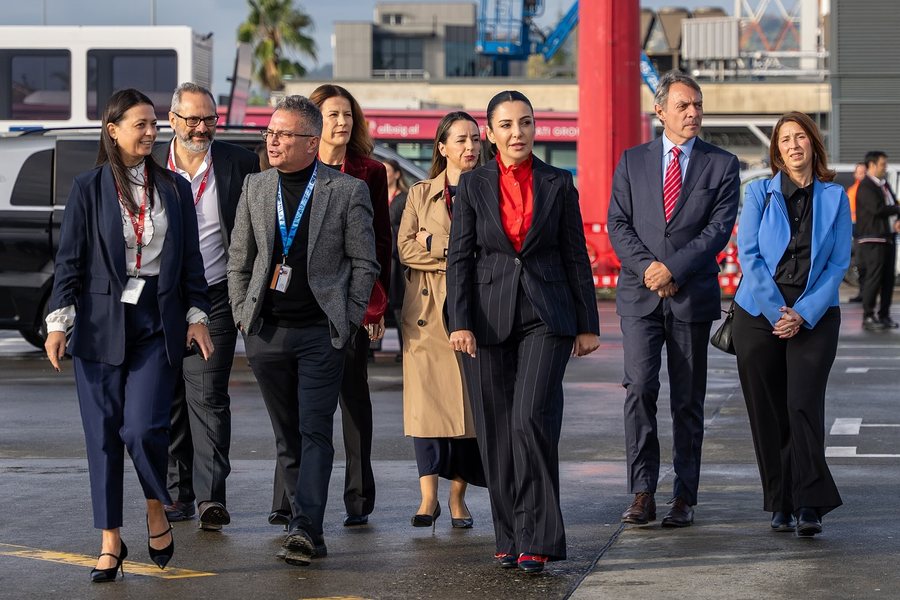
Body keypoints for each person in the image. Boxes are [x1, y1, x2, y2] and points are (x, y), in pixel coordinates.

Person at [44, 88, 213, 582]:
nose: (150, 131)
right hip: (98, 327)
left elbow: (192, 264)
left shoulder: (175, 189)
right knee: (102, 438)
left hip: (155, 323)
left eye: (153, 122)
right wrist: (59, 322)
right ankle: (110, 541)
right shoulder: (88, 187)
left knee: (142, 429)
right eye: (139, 124)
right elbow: (70, 262)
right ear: (112, 130)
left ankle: (156, 507)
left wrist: (197, 315)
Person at [446, 91, 600, 573]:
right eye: (507, 125)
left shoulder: (558, 182)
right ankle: (509, 535)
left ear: (537, 129)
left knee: (530, 419)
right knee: (494, 429)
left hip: (545, 316)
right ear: (490, 133)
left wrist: (587, 324)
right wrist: (461, 321)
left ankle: (539, 536)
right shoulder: (472, 185)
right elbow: (460, 258)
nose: (518, 133)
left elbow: (575, 254)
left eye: (527, 123)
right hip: (486, 319)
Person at [227, 95, 378, 565]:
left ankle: (306, 528)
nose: (272, 140)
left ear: (312, 143)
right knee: (286, 436)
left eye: (283, 134)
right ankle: (300, 519)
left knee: (315, 432)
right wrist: (241, 315)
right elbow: (239, 259)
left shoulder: (346, 191)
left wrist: (349, 318)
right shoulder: (255, 187)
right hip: (266, 333)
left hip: (320, 334)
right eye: (270, 132)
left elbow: (364, 262)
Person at [607, 71, 740, 529]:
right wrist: (649, 269)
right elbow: (618, 224)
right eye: (684, 105)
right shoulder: (632, 161)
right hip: (639, 296)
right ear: (660, 111)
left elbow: (716, 231)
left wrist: (674, 269)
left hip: (690, 296)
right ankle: (643, 491)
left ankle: (684, 495)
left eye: (698, 105)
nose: (693, 113)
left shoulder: (721, 164)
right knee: (640, 390)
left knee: (688, 399)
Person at [732, 111, 850, 536]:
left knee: (802, 404)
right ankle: (781, 501)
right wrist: (776, 312)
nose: (794, 145)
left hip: (814, 313)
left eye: (801, 137)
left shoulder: (836, 197)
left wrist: (803, 313)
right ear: (777, 151)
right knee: (767, 412)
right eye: (785, 140)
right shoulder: (759, 193)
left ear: (813, 145)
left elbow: (837, 263)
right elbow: (750, 256)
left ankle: (811, 504)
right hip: (759, 313)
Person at [154, 82, 260, 531]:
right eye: (193, 119)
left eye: (210, 119)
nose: (202, 128)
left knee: (209, 395)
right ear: (173, 121)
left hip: (215, 295)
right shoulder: (151, 164)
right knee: (169, 396)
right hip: (160, 297)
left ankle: (210, 498)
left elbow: (256, 230)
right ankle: (178, 494)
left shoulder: (238, 162)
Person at [303, 83, 392, 527]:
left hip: (351, 303)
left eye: (347, 115)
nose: (341, 122)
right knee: (301, 407)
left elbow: (379, 244)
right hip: (300, 302)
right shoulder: (295, 164)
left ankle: (358, 499)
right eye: (332, 114)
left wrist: (375, 308)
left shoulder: (371, 172)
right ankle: (290, 500)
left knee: (354, 402)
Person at [398, 112, 486, 530]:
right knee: (425, 410)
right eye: (461, 140)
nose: (471, 147)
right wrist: (456, 252)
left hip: (473, 311)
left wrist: (434, 243)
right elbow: (403, 249)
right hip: (426, 314)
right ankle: (427, 498)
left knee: (467, 412)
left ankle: (457, 499)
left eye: (475, 139)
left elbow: (488, 249)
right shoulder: (419, 193)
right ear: (442, 147)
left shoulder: (490, 189)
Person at [855, 151, 900, 330]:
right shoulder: (866, 186)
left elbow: (892, 204)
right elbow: (877, 209)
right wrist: (897, 209)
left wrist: (897, 217)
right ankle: (868, 315)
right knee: (874, 278)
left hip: (887, 237)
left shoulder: (884, 185)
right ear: (872, 165)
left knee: (888, 278)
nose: (885, 167)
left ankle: (884, 315)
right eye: (882, 164)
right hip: (872, 239)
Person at [385, 157, 409, 361]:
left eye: (388, 171)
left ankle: (404, 349)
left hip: (397, 263)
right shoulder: (376, 195)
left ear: (397, 174)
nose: (384, 174)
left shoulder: (403, 198)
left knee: (399, 308)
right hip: (382, 260)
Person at [846, 162, 867, 303]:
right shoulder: (852, 190)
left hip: (866, 231)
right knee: (860, 264)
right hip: (855, 231)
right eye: (859, 172)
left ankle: (866, 295)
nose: (861, 175)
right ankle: (863, 293)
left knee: (867, 265)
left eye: (864, 172)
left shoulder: (868, 190)